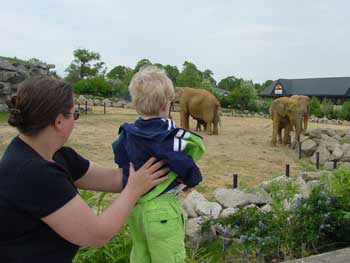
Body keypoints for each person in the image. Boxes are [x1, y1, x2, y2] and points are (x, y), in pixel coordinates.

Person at [0, 76, 169, 263]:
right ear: (59, 122)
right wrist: (133, 191)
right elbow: (96, 235)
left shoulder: (57, 155)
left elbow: (114, 179)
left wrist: (170, 173)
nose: (76, 120)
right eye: (75, 114)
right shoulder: (33, 173)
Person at [112, 66, 205, 263]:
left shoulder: (127, 132)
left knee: (140, 254)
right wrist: (193, 178)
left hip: (135, 206)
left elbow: (118, 152)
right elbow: (180, 160)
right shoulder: (165, 135)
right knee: (169, 256)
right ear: (166, 105)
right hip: (161, 208)